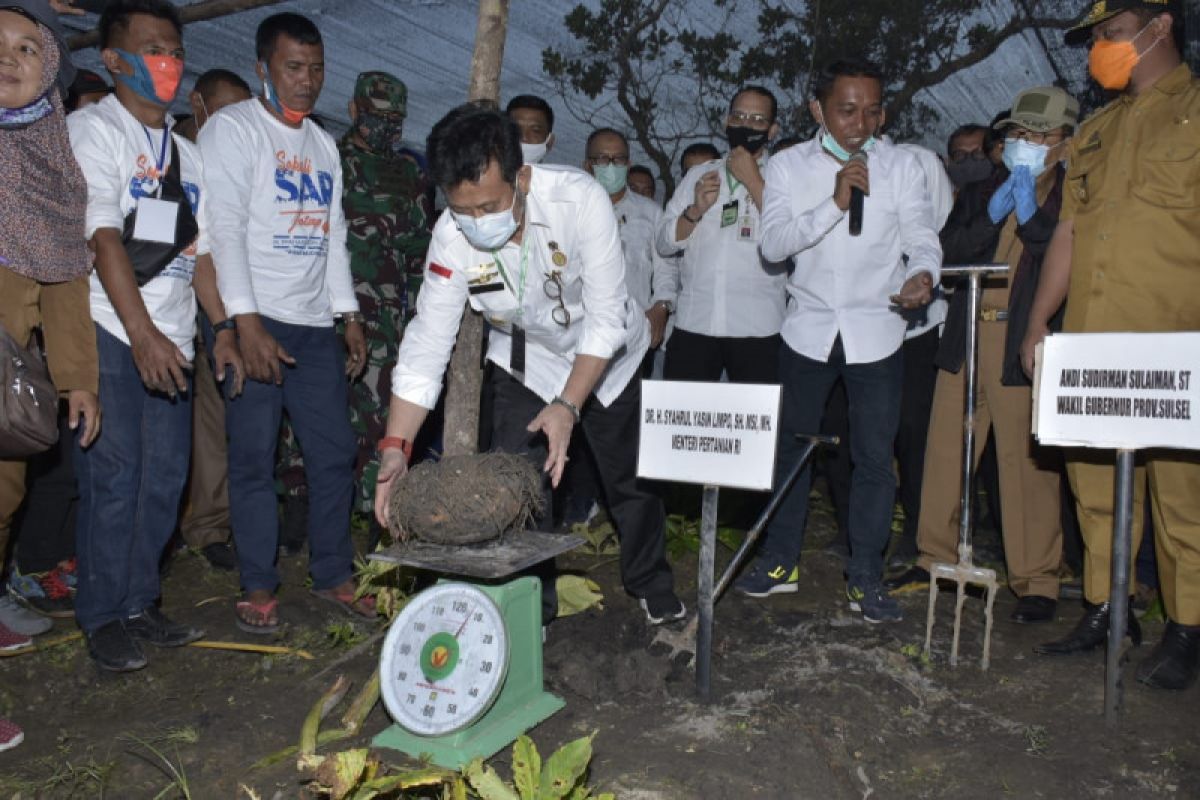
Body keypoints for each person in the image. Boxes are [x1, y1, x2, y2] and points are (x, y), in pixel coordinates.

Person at [376, 104, 683, 625]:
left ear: (521, 175)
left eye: (490, 205)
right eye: (463, 209)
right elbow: (428, 342)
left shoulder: (579, 200)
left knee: (630, 480)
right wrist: (394, 450)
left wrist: (569, 404)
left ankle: (650, 581)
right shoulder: (451, 236)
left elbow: (607, 320)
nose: (478, 222)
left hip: (606, 358)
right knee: (519, 485)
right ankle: (531, 611)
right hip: (529, 359)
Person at [1021, 0, 1200, 689]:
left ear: (1161, 27)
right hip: (1094, 342)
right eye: (1097, 38)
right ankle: (1108, 607)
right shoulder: (1096, 128)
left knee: (1182, 498)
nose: (1100, 47)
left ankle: (1187, 629)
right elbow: (1067, 234)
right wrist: (1040, 325)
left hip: (1176, 342)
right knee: (1094, 488)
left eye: (1112, 33)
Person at [68, 0, 242, 672]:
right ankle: (102, 614)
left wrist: (221, 329)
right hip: (113, 328)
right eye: (149, 48)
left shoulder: (189, 156)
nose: (165, 61)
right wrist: (139, 334)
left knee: (166, 477)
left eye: (173, 48)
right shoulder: (94, 131)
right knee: (115, 475)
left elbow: (198, 256)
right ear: (113, 60)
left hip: (174, 334)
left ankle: (141, 601)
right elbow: (101, 236)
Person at [735, 59, 941, 623]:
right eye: (847, 110)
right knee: (791, 452)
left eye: (873, 110)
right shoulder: (786, 166)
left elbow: (923, 237)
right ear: (817, 110)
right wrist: (835, 203)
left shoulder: (902, 166)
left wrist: (923, 275)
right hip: (807, 330)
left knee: (875, 458)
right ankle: (781, 561)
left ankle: (865, 575)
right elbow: (774, 245)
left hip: (878, 331)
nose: (860, 123)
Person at [197, 12, 370, 634]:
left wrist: (346, 312)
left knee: (333, 454)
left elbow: (334, 236)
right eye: (293, 67)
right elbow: (225, 234)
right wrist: (245, 325)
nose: (307, 81)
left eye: (316, 68)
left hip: (311, 324)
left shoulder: (322, 143)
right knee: (253, 458)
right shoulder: (233, 130)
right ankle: (259, 584)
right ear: (262, 67)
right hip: (256, 318)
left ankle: (332, 573)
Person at [887, 87, 1077, 624]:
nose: (1027, 143)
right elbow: (949, 250)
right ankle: (933, 557)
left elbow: (1056, 249)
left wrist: (1031, 209)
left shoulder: (1075, 189)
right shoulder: (981, 189)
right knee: (946, 449)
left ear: (1065, 141)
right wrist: (995, 213)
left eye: (1040, 135)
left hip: (1022, 339)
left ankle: (1036, 578)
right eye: (1020, 133)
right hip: (966, 333)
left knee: (1025, 462)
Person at [0, 0, 100, 750]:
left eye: (28, 48)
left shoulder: (53, 165)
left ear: (50, 70)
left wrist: (78, 382)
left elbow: (65, 282)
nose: (9, 58)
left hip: (8, 390)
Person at [338, 70, 433, 519]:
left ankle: (370, 505)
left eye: (396, 118)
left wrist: (418, 308)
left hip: (391, 316)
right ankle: (305, 500)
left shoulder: (408, 172)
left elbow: (418, 244)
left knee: (381, 411)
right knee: (330, 411)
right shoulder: (331, 161)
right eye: (377, 116)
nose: (387, 127)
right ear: (355, 110)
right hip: (336, 310)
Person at [172, 68, 251, 571]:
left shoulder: (235, 161)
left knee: (214, 421)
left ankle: (209, 524)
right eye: (224, 111)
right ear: (198, 104)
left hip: (221, 310)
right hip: (167, 310)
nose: (233, 123)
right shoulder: (172, 155)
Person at [655, 86, 787, 386]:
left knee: (757, 430)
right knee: (683, 425)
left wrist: (753, 180)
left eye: (757, 119)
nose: (745, 126)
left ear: (773, 129)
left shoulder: (785, 176)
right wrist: (695, 210)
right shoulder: (698, 175)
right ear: (727, 122)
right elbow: (663, 243)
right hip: (695, 324)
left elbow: (792, 239)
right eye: (739, 116)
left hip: (759, 329)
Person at [506, 93, 555, 165]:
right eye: (515, 128)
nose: (523, 137)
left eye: (535, 131)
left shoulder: (565, 176)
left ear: (550, 142)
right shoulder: (484, 173)